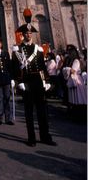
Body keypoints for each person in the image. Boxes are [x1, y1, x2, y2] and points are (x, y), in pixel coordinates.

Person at [11, 9, 56, 147]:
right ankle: (31, 138)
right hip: (27, 82)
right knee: (29, 112)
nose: (28, 35)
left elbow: (42, 66)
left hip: (38, 82)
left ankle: (45, 136)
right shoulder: (18, 51)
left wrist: (46, 81)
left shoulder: (39, 49)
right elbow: (14, 68)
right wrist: (19, 81)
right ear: (22, 35)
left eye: (30, 33)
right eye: (26, 33)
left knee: (42, 111)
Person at [62, 44, 87, 121]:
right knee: (75, 99)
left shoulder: (76, 60)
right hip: (74, 79)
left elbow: (73, 70)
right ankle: (76, 114)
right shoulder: (71, 60)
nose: (68, 54)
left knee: (78, 98)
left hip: (76, 80)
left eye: (69, 52)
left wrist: (66, 69)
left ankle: (81, 115)